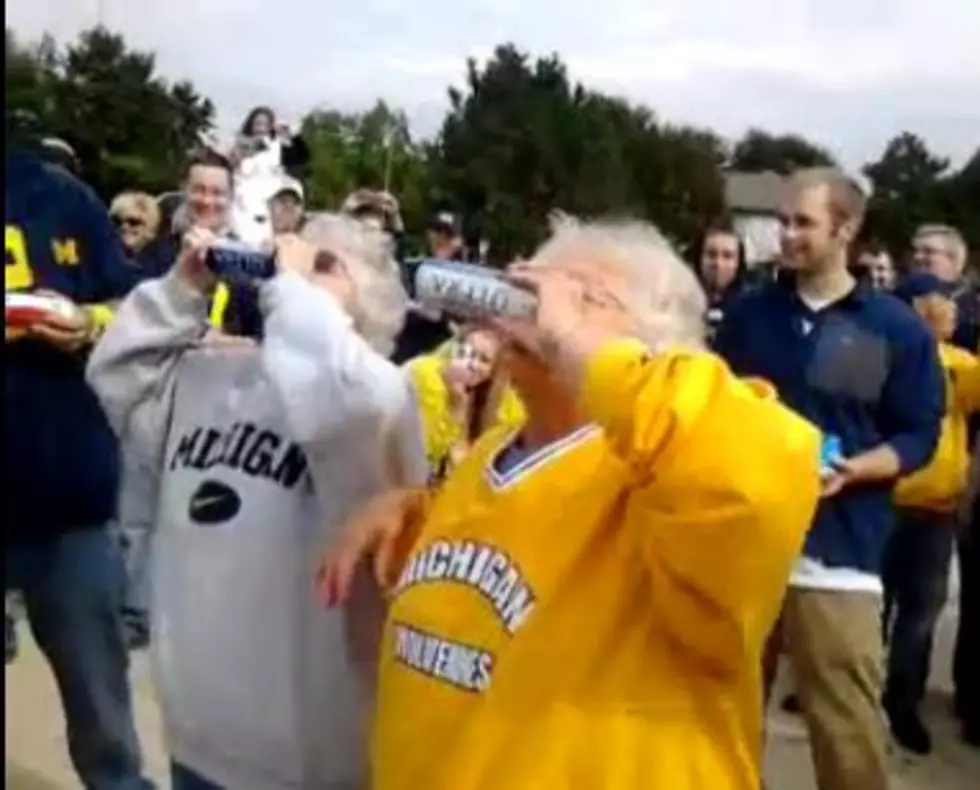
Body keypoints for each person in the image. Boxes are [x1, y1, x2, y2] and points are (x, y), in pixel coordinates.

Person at [318, 217, 824, 790]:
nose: (537, 302)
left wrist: (580, 345)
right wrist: (413, 513)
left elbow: (749, 485)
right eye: (536, 282)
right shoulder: (492, 456)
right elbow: (520, 574)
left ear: (653, 347)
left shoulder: (666, 481)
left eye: (581, 295)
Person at [86, 214, 426, 790]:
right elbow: (116, 374)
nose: (284, 265)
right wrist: (181, 290)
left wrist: (287, 284)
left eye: (325, 265)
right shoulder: (209, 374)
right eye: (282, 256)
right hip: (198, 733)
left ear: (372, 306)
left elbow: (358, 397)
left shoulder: (375, 402)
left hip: (305, 762)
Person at [716, 167, 944, 790]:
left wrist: (860, 468)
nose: (786, 235)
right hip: (747, 550)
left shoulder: (894, 329)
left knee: (848, 738)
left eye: (802, 223)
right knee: (724, 726)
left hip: (839, 553)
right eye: (782, 222)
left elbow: (920, 433)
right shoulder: (748, 317)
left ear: (846, 230)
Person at [5, 136, 152, 788]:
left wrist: (87, 321)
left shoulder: (62, 197)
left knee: (103, 721)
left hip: (66, 496)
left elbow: (132, 311)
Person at [883, 272, 980, 753]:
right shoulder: (886, 351)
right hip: (881, 502)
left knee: (920, 616)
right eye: (943, 299)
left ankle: (903, 703)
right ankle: (850, 694)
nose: (953, 309)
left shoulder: (960, 363)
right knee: (865, 610)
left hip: (936, 512)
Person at [405, 325, 524, 484]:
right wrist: (456, 407)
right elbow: (427, 450)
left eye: (484, 360)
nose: (472, 365)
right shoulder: (427, 377)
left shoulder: (498, 400)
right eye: (467, 353)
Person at [694, 220, 752, 341]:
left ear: (739, 263)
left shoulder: (751, 308)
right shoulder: (682, 304)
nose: (718, 263)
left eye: (727, 256)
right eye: (711, 255)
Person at [109, 191, 162, 262]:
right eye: (117, 221)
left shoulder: (163, 266)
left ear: (152, 231)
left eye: (133, 222)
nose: (124, 227)